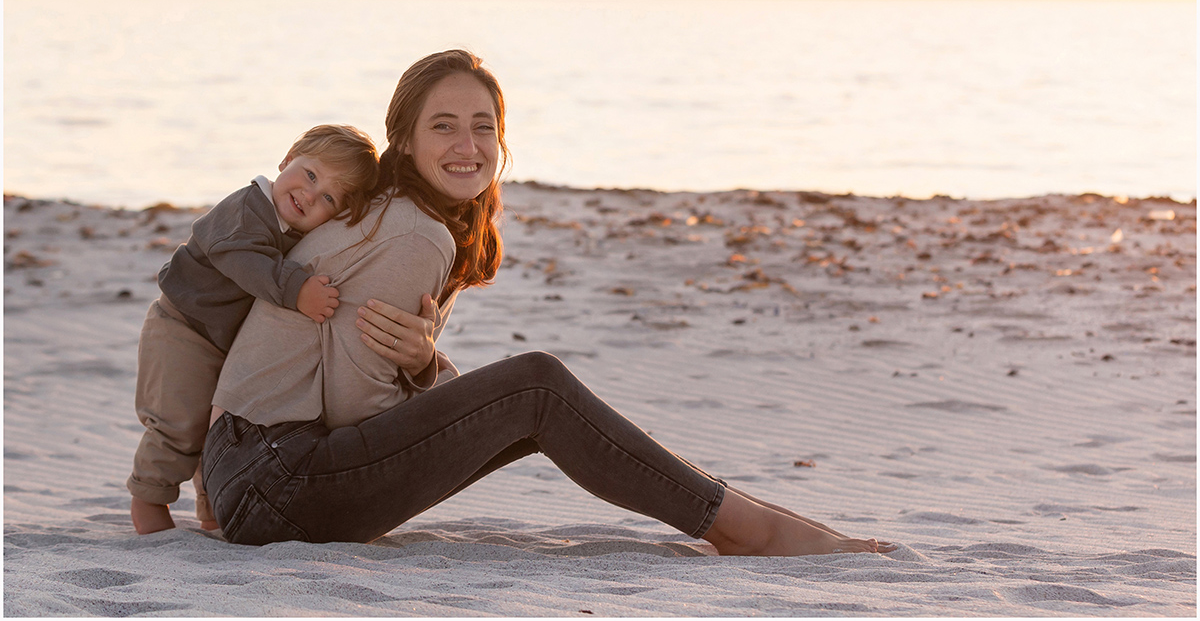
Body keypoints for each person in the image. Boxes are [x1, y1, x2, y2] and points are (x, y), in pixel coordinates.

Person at [203, 50, 894, 556]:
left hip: (254, 475)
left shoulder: (390, 215)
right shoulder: (413, 231)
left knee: (532, 405)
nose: (468, 146)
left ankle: (739, 515)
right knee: (536, 387)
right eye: (443, 126)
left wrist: (427, 370)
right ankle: (746, 526)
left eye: (482, 126)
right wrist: (433, 380)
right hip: (278, 482)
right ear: (406, 143)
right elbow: (355, 405)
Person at [127, 124, 379, 535]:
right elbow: (245, 260)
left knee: (216, 427)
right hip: (183, 329)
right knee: (179, 423)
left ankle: (210, 509)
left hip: (223, 342)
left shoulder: (295, 233)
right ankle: (148, 499)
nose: (310, 194)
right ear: (287, 158)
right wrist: (296, 289)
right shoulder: (247, 208)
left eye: (329, 198)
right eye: (311, 175)